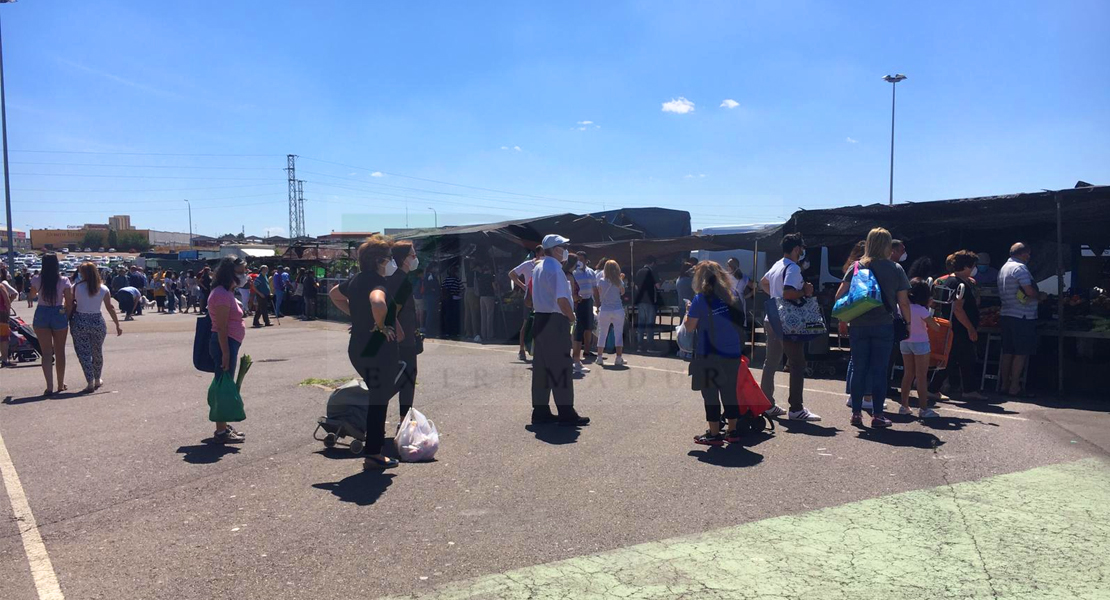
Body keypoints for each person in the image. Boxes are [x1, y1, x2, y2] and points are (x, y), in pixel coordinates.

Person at [329, 235, 402, 469]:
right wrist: (381, 325)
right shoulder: (377, 283)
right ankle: (374, 455)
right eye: (390, 258)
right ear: (380, 261)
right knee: (379, 400)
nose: (392, 262)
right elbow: (378, 302)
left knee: (378, 397)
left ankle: (374, 450)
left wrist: (356, 315)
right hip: (378, 350)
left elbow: (334, 294)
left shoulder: (356, 280)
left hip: (357, 348)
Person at [836, 228, 912, 428]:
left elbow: (839, 296)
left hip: (859, 325)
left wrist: (844, 317)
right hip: (884, 325)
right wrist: (908, 323)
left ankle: (856, 413)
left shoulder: (856, 267)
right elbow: (903, 302)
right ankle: (877, 415)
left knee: (859, 368)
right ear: (888, 245)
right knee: (879, 370)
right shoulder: (896, 269)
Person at [683, 261, 747, 445]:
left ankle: (714, 433)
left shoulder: (701, 298)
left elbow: (689, 326)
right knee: (729, 392)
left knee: (710, 394)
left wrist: (688, 312)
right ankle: (732, 431)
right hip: (732, 350)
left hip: (710, 352)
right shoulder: (732, 295)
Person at [759, 234, 821, 421]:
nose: (802, 252)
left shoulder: (778, 264)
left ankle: (766, 403)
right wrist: (805, 291)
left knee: (771, 362)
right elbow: (788, 293)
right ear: (796, 249)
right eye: (801, 248)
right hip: (789, 321)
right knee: (797, 363)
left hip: (772, 318)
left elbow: (763, 282)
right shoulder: (793, 268)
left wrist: (774, 296)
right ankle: (796, 408)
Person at [529, 234, 589, 426]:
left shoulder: (538, 267)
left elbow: (530, 297)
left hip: (540, 318)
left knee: (542, 367)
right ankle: (566, 411)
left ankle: (540, 410)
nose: (565, 249)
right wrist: (572, 318)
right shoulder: (556, 269)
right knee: (561, 366)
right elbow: (562, 300)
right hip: (555, 321)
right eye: (563, 246)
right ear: (555, 249)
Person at [929, 250, 987, 401]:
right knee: (956, 359)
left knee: (960, 358)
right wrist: (970, 328)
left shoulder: (953, 281)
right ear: (967, 266)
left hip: (954, 328)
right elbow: (958, 309)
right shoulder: (958, 283)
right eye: (974, 265)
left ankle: (965, 389)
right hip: (959, 329)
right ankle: (935, 388)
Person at [207, 257, 249, 443]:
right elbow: (222, 327)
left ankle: (222, 425)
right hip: (225, 343)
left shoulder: (226, 292)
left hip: (229, 342)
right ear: (230, 273)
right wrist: (226, 352)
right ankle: (221, 431)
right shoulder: (222, 294)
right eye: (241, 271)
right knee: (224, 386)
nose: (244, 275)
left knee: (224, 384)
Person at [68, 262, 122, 393]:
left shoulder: (76, 287)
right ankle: (98, 378)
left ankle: (90, 380)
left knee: (84, 353)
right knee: (97, 351)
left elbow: (69, 305)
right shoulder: (103, 288)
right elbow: (110, 307)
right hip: (97, 321)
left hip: (80, 320)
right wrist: (117, 324)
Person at [997, 243, 1043, 396]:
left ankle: (1004, 384)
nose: (1029, 257)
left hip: (1006, 313)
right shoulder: (1020, 268)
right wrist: (1040, 296)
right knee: (1021, 352)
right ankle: (1015, 386)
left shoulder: (1004, 268)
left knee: (1007, 351)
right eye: (1028, 254)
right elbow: (1029, 291)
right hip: (1022, 315)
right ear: (1024, 254)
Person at [31, 253, 74, 395]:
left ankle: (49, 386)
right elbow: (69, 301)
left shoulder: (37, 279)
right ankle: (60, 384)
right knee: (60, 351)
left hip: (42, 313)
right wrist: (66, 315)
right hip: (58, 312)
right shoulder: (64, 280)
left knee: (46, 352)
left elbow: (31, 296)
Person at [899, 278, 941, 418]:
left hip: (905, 341)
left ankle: (904, 405)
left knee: (908, 374)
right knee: (921, 376)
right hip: (921, 343)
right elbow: (936, 328)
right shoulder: (922, 310)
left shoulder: (902, 307)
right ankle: (923, 409)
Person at [389, 240, 420, 422]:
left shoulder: (398, 279)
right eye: (412, 255)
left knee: (400, 380)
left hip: (403, 338)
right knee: (406, 381)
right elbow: (393, 311)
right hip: (402, 341)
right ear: (404, 259)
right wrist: (400, 333)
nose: (415, 258)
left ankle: (403, 420)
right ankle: (404, 422)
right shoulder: (400, 281)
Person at [509, 246, 543, 361]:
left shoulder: (546, 265)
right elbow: (512, 274)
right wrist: (523, 286)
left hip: (542, 298)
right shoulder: (528, 264)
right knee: (526, 323)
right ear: (537, 254)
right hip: (530, 298)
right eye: (542, 254)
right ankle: (521, 350)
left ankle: (538, 350)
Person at [594, 260, 627, 367]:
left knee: (602, 333)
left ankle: (599, 357)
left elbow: (600, 293)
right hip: (617, 309)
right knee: (618, 334)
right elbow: (622, 292)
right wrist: (620, 279)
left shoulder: (601, 281)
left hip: (605, 310)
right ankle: (618, 357)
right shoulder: (619, 281)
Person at [572, 251, 597, 370]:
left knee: (589, 327)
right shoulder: (573, 272)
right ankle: (575, 353)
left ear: (586, 260)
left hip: (588, 301)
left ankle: (587, 351)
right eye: (578, 259)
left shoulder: (591, 272)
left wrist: (598, 302)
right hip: (578, 302)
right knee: (578, 328)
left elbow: (595, 288)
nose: (580, 261)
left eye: (582, 259)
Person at [632, 255, 659, 352]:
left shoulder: (639, 272)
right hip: (650, 300)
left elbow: (635, 286)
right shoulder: (652, 271)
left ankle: (640, 346)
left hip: (641, 300)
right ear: (652, 263)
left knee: (641, 324)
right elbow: (658, 286)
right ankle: (649, 346)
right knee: (650, 324)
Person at [726, 257, 755, 326]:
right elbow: (755, 287)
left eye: (728, 265)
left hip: (733, 301)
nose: (727, 267)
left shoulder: (726, 276)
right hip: (739, 300)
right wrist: (746, 296)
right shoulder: (744, 277)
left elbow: (754, 287)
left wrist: (747, 296)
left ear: (732, 266)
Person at [440, 265, 463, 338]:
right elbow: (462, 288)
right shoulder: (457, 280)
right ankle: (455, 332)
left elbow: (442, 288)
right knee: (455, 316)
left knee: (448, 316)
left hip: (447, 300)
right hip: (456, 299)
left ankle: (448, 331)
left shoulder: (446, 280)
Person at [0, 268, 17, 368]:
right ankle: (5, 359)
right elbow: (6, 300)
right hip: (2, 313)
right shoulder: (1, 286)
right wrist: (8, 309)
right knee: (3, 338)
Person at [477, 263, 498, 343]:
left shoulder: (480, 277)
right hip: (489, 296)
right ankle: (490, 335)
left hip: (481, 297)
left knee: (483, 316)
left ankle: (483, 334)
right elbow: (494, 287)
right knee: (489, 316)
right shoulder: (491, 277)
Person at [463, 260, 481, 341]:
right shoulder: (476, 273)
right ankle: (475, 333)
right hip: (473, 293)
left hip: (466, 292)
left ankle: (467, 332)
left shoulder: (468, 273)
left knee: (467, 313)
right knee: (474, 313)